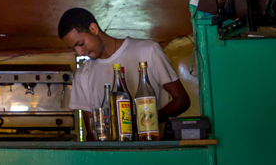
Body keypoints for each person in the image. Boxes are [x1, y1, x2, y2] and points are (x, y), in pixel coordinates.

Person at [59, 7, 190, 131]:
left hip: (151, 150)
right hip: (110, 155)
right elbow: (91, 134)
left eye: (80, 44)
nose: (79, 52)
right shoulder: (83, 74)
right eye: (74, 48)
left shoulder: (148, 51)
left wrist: (140, 122)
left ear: (93, 29)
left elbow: (182, 100)